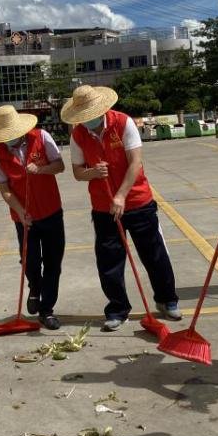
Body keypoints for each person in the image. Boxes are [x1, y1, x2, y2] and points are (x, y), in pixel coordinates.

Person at [62, 84, 180, 332]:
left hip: (137, 201)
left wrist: (122, 195)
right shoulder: (78, 135)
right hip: (103, 207)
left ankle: (167, 300)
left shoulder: (123, 123)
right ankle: (117, 308)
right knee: (109, 260)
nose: (88, 122)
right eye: (83, 118)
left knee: (154, 254)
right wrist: (92, 172)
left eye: (90, 116)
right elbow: (77, 172)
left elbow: (135, 162)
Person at [0, 105, 66, 330]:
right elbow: (5, 189)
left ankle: (47, 310)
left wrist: (41, 168)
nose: (9, 139)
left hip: (51, 211)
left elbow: (60, 166)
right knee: (30, 260)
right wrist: (20, 211)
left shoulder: (41, 137)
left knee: (53, 262)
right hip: (24, 218)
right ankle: (35, 288)